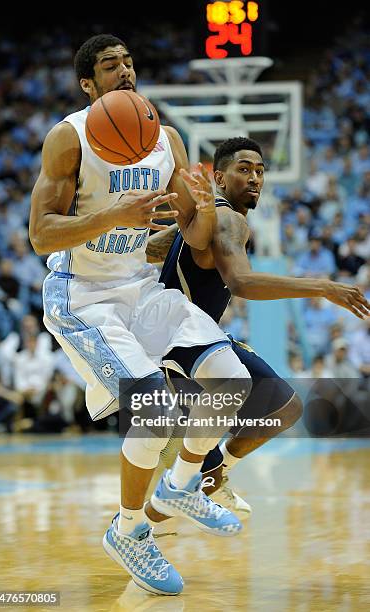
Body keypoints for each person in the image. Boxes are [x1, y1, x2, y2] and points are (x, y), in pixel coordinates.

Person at [29, 35, 254, 596]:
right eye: (111, 66)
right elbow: (40, 234)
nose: (125, 72)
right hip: (83, 296)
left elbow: (195, 232)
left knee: (231, 382)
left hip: (141, 288)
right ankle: (129, 530)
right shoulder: (69, 137)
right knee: (154, 413)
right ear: (88, 83)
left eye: (129, 63)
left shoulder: (166, 139)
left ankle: (180, 487)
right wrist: (112, 216)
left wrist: (199, 207)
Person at [143, 136, 370, 526]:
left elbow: (149, 249)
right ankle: (138, 525)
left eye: (260, 171)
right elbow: (243, 284)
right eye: (243, 169)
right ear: (218, 176)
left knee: (286, 406)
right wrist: (322, 286)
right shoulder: (229, 218)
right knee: (180, 479)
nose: (254, 178)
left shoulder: (202, 217)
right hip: (179, 353)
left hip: (192, 341)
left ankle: (214, 475)